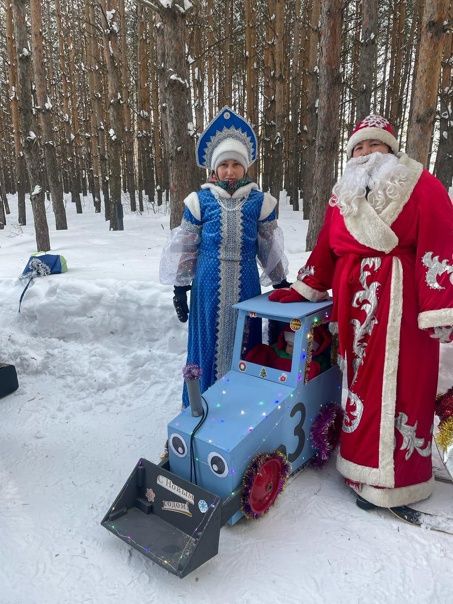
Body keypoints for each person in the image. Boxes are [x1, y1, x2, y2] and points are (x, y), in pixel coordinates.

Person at [270, 114, 453, 509]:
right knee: (360, 389)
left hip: (401, 305)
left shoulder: (422, 185)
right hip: (354, 309)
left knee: (402, 387)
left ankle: (395, 483)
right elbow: (325, 250)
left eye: (375, 145)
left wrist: (440, 310)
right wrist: (304, 288)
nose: (366, 153)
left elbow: (440, 242)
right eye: (359, 148)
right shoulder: (344, 195)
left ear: (390, 149)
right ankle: (359, 469)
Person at [160, 106, 289, 407]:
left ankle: (239, 408)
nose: (230, 171)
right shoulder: (198, 201)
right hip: (207, 285)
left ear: (246, 167)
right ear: (214, 169)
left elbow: (268, 246)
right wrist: (180, 287)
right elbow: (187, 245)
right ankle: (200, 404)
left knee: (245, 342)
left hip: (245, 285)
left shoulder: (261, 202)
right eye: (224, 165)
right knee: (206, 343)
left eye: (236, 164)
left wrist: (281, 281)